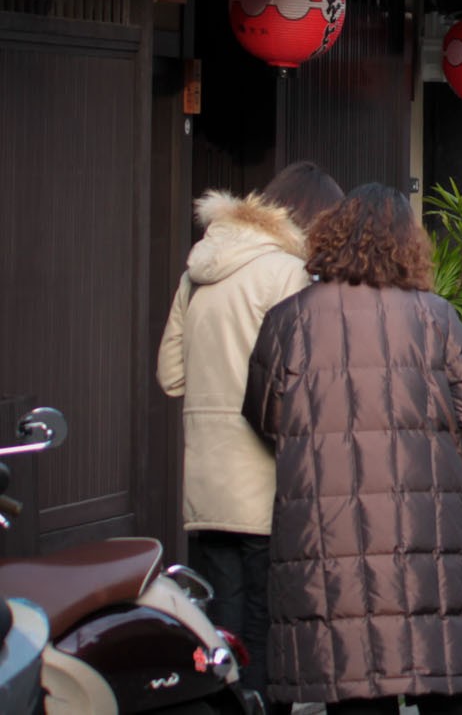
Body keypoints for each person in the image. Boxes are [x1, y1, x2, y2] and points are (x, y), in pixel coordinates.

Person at [244, 184, 462, 715]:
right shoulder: (433, 315)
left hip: (327, 527)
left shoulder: (290, 318)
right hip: (424, 526)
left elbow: (266, 413)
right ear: (408, 245)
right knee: (443, 669)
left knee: (353, 680)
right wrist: (433, 439)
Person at [156, 161, 344, 714]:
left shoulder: (198, 269)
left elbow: (171, 375)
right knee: (265, 635)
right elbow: (302, 378)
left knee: (217, 629)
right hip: (265, 479)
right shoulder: (286, 272)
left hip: (205, 481)